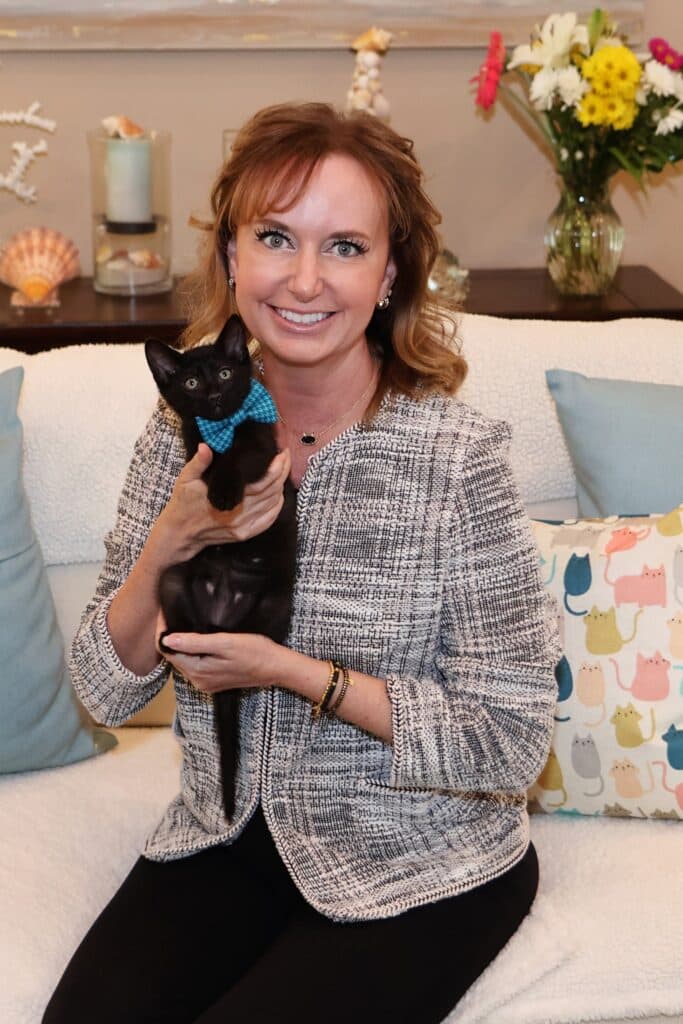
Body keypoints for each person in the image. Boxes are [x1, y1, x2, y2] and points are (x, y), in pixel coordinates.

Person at [44, 102, 561, 1024]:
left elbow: (509, 742)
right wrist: (168, 541)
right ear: (233, 256)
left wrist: (291, 674)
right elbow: (105, 688)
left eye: (346, 246)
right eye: (276, 237)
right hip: (226, 833)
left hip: (420, 857)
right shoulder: (179, 439)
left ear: (392, 270)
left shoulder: (455, 457)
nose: (305, 279)